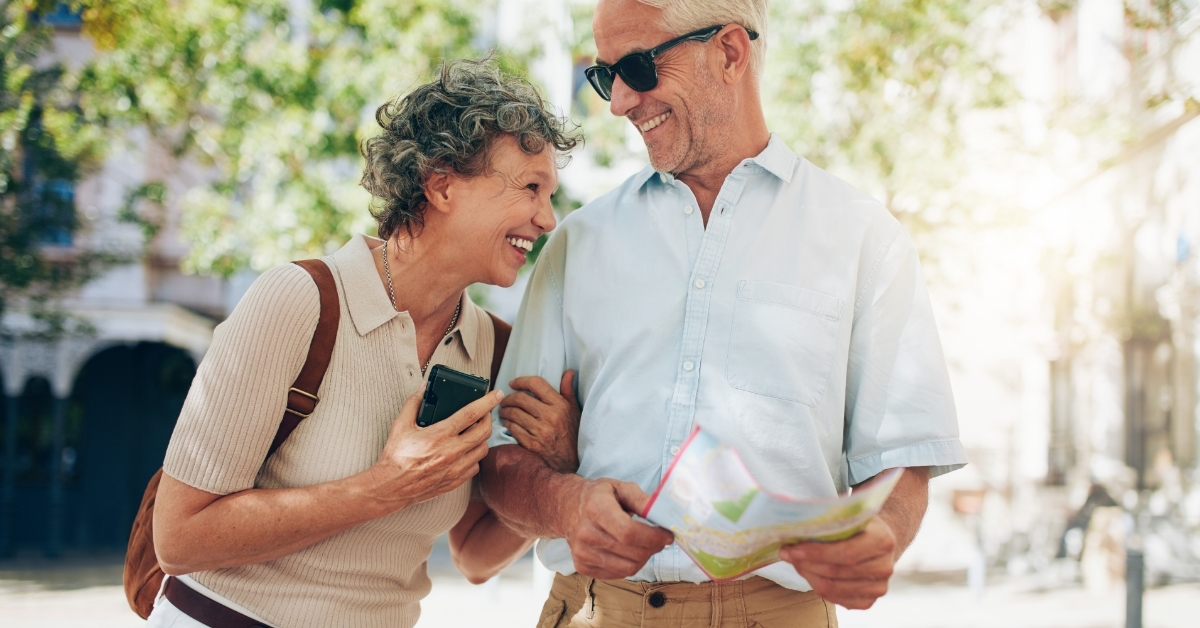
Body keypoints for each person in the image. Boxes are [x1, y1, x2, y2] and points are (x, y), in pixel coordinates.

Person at [480, 0, 968, 626]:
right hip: (594, 609)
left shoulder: (863, 238)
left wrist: (883, 540)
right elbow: (500, 462)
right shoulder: (580, 240)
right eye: (605, 76)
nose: (619, 102)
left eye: (637, 67)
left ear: (731, 52)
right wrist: (565, 504)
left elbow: (902, 463)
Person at [147, 59, 580, 628]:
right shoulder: (300, 301)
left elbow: (474, 555)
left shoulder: (492, 348)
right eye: (530, 188)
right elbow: (178, 538)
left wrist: (559, 468)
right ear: (442, 184)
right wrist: (381, 489)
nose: (547, 219)